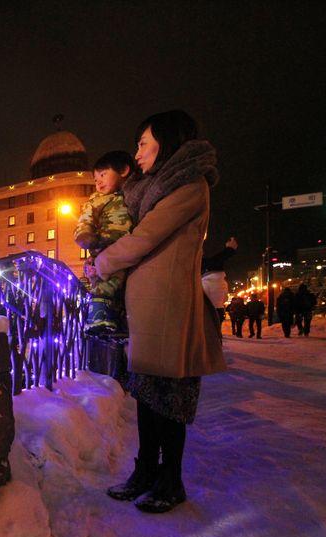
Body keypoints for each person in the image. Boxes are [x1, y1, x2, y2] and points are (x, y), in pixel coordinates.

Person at [84, 110, 225, 513]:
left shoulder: (188, 187)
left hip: (170, 308)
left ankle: (170, 480)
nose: (138, 151)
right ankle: (145, 471)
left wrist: (102, 263)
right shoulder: (155, 189)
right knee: (148, 397)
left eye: (144, 143)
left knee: (170, 399)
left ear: (167, 142)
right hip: (147, 308)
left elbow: (145, 237)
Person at [74, 151, 136, 333]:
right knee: (105, 281)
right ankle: (97, 316)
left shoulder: (130, 197)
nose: (98, 182)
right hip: (104, 247)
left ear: (123, 171)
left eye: (103, 175)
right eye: (95, 179)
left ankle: (116, 320)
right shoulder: (96, 201)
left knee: (122, 286)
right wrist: (85, 236)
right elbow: (84, 220)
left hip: (126, 249)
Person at [201, 237, 237, 331]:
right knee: (216, 333)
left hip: (208, 311)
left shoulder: (204, 282)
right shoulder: (223, 283)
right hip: (219, 310)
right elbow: (225, 298)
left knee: (207, 333)